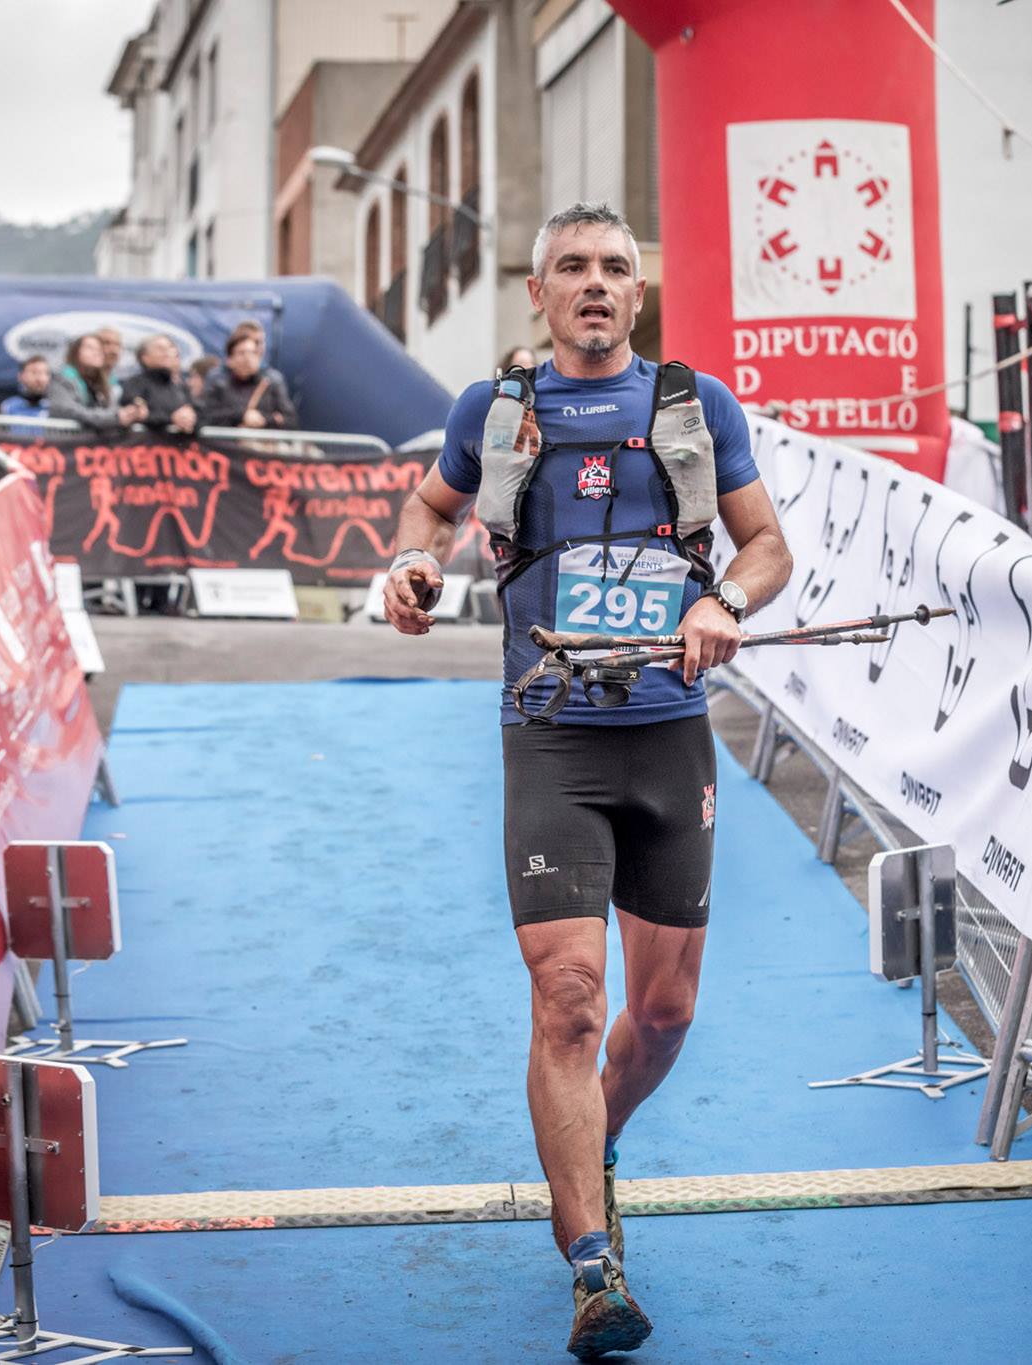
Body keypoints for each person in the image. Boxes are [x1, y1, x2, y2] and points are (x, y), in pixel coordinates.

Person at [381, 203, 792, 1357]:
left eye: (615, 266)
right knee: (567, 997)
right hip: (550, 737)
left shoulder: (694, 407)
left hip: (668, 739)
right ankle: (590, 1266)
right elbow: (431, 508)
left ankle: (590, 1142)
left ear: (637, 293)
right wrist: (412, 564)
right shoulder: (493, 411)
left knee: (660, 1016)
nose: (595, 283)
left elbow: (765, 546)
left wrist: (724, 601)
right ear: (539, 291)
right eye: (572, 266)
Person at [199, 321, 297, 430]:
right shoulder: (217, 380)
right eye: (242, 353)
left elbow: (290, 421)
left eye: (253, 353)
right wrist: (241, 416)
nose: (248, 359)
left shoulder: (272, 380)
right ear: (229, 359)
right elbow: (205, 417)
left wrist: (264, 420)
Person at [48, 335, 147, 431]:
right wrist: (114, 417)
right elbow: (67, 410)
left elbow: (110, 410)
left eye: (100, 350)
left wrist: (131, 413)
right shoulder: (61, 378)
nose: (97, 353)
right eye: (90, 348)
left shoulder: (101, 383)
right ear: (75, 352)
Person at [119, 334, 199, 433]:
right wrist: (171, 419)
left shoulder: (180, 386)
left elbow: (200, 414)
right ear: (145, 357)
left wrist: (191, 418)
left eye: (170, 348)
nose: (167, 353)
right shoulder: (134, 384)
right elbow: (135, 415)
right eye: (161, 349)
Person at [1, 355, 52, 420]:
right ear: (21, 376)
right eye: (34, 372)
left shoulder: (56, 408)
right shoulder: (8, 406)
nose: (40, 378)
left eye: (45, 373)